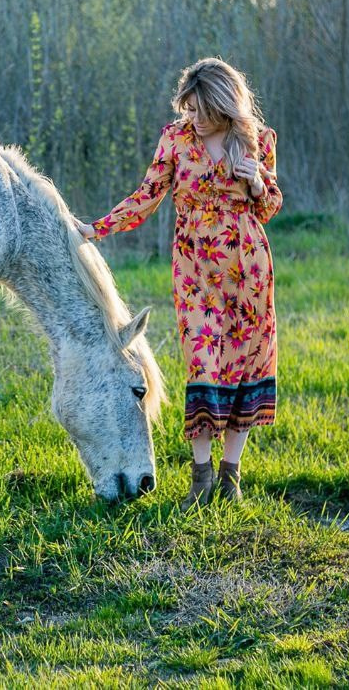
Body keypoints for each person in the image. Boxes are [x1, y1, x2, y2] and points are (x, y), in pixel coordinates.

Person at [73, 58, 282, 506]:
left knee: (244, 372)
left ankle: (230, 480)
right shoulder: (175, 140)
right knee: (204, 368)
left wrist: (258, 183)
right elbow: (146, 197)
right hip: (195, 275)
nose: (193, 119)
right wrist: (97, 228)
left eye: (200, 111)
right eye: (187, 109)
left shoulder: (257, 141)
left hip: (249, 270)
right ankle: (201, 479)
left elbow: (269, 208)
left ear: (224, 105)